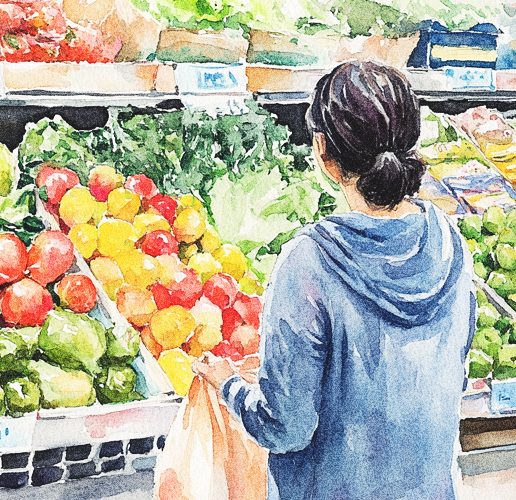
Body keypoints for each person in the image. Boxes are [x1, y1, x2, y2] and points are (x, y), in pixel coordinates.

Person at [194, 60, 476, 500]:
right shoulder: (449, 243)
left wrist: (229, 384)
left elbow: (285, 428)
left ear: (324, 153)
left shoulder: (309, 262)